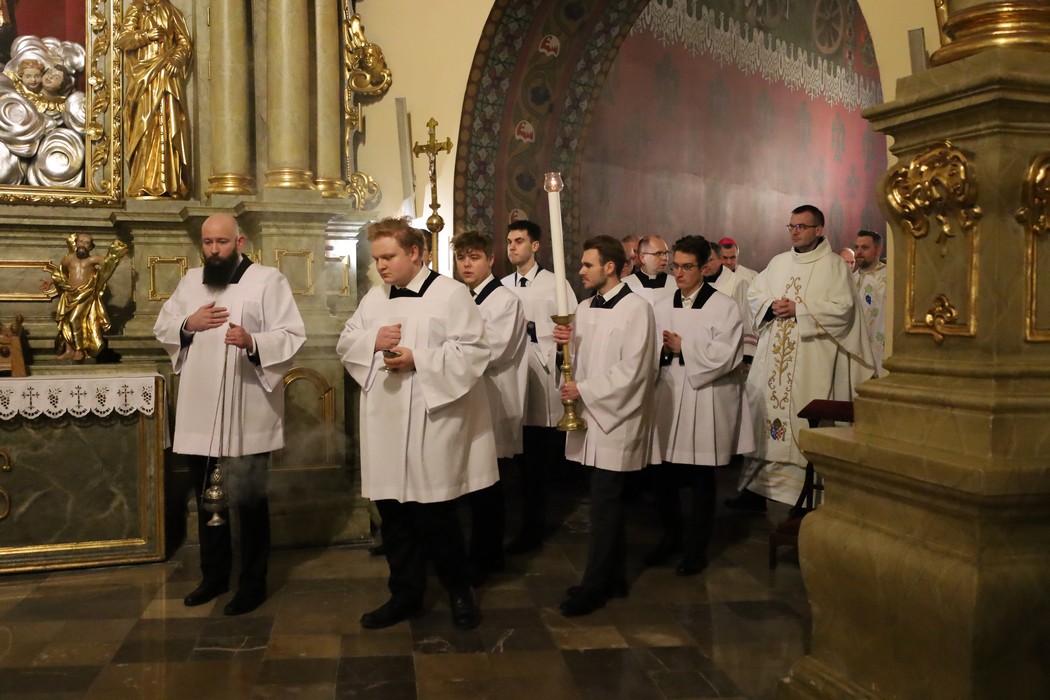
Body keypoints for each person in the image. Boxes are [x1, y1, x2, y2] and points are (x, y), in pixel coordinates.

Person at [338, 218, 495, 631]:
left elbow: (475, 351)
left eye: (388, 257)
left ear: (414, 253)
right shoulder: (374, 298)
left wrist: (417, 359)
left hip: (432, 420)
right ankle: (405, 595)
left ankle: (460, 592)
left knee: (436, 515)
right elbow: (347, 341)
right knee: (393, 516)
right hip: (386, 422)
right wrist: (372, 342)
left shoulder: (451, 294)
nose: (381, 266)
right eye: (377, 259)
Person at [154, 213, 306, 615]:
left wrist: (253, 341)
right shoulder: (190, 281)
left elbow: (292, 334)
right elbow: (164, 326)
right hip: (200, 410)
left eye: (221, 242)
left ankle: (253, 583)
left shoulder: (268, 280)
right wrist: (188, 324)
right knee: (209, 499)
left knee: (250, 501)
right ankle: (214, 576)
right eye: (207, 242)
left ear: (240, 242)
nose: (214, 250)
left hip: (248, 410)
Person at [727, 205, 874, 513]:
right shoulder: (778, 262)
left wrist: (800, 310)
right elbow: (755, 294)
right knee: (763, 416)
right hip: (773, 358)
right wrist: (770, 305)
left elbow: (843, 309)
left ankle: (804, 497)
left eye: (801, 226)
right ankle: (756, 490)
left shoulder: (834, 266)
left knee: (802, 419)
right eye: (791, 226)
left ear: (818, 230)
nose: (794, 231)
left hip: (811, 357)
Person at [554, 235, 656, 616]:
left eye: (587, 264)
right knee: (605, 504)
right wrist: (562, 346)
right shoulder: (583, 308)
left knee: (604, 505)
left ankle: (593, 587)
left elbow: (634, 370)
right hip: (589, 417)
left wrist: (584, 389)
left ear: (609, 267)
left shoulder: (637, 309)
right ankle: (614, 578)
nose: (580, 271)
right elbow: (577, 360)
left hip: (617, 420)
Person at [647, 235, 753, 575]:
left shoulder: (724, 306)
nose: (678, 273)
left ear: (704, 268)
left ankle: (696, 548)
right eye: (675, 266)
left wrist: (685, 347)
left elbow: (727, 355)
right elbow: (649, 347)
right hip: (669, 394)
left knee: (700, 477)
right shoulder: (661, 305)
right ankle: (671, 537)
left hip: (704, 397)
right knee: (663, 475)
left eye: (687, 267)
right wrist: (662, 351)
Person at [452, 229, 528, 585]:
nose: (466, 265)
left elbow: (493, 350)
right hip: (466, 395)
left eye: (474, 258)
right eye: (461, 258)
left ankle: (487, 555)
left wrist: (452, 349)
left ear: (491, 260)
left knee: (488, 483)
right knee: (470, 480)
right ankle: (475, 552)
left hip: (495, 397)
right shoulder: (458, 298)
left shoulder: (505, 301)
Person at [502, 219, 578, 554]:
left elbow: (571, 332)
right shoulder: (502, 287)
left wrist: (535, 332)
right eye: (509, 241)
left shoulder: (555, 285)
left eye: (519, 241)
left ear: (535, 246)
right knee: (512, 461)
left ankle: (534, 527)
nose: (512, 247)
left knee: (536, 460)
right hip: (510, 378)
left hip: (541, 376)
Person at [115, 0, 193, 199]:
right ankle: (143, 182)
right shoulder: (136, 8)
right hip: (143, 79)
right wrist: (146, 35)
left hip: (167, 77)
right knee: (145, 127)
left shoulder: (171, 10)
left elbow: (184, 43)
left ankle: (172, 183)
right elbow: (122, 40)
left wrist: (177, 59)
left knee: (168, 124)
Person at [42, 232, 127, 361]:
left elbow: (108, 263)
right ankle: (69, 350)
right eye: (81, 241)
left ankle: (79, 350)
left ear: (91, 247)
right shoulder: (68, 259)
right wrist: (51, 281)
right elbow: (61, 274)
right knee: (66, 322)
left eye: (87, 243)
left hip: (85, 295)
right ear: (76, 243)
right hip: (69, 295)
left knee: (75, 320)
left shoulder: (93, 260)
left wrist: (116, 253)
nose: (83, 244)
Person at [701, 243, 757, 365]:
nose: (705, 264)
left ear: (719, 260)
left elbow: (746, 318)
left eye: (710, 260)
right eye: (703, 260)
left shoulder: (738, 282)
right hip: (701, 351)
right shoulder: (696, 281)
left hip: (730, 352)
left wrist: (747, 355)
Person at [853, 229, 887, 375]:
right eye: (857, 247)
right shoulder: (850, 279)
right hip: (854, 349)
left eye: (865, 247)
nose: (859, 252)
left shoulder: (889, 279)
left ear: (878, 250)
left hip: (880, 349)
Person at [623, 235, 674, 306]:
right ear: (643, 257)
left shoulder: (675, 284)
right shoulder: (626, 284)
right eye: (658, 253)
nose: (665, 258)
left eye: (666, 253)